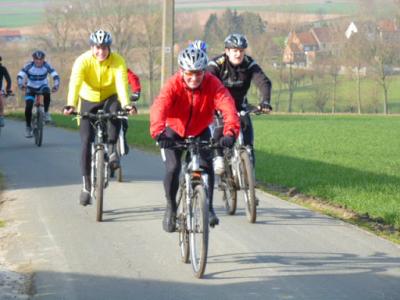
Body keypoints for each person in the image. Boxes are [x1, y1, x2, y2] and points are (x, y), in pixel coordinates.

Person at [150, 46, 240, 233]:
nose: (194, 78)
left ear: (204, 71)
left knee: (206, 166)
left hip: (200, 130)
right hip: (174, 131)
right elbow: (160, 107)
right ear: (182, 70)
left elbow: (228, 107)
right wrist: (159, 133)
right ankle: (171, 208)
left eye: (198, 73)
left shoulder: (212, 83)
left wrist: (230, 133)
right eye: (190, 73)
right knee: (173, 168)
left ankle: (208, 206)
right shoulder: (173, 84)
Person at [63, 29, 136, 206]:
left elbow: (121, 83)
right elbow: (75, 83)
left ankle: (112, 152)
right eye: (97, 47)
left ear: (109, 47)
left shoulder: (117, 60)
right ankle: (86, 186)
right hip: (87, 99)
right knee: (86, 140)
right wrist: (71, 104)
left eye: (104, 48)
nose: (101, 51)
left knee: (115, 112)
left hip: (110, 97)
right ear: (92, 47)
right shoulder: (83, 61)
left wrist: (127, 104)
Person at [207, 33, 272, 171]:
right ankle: (218, 157)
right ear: (227, 51)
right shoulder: (217, 64)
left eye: (241, 51)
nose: (238, 54)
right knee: (218, 132)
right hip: (218, 107)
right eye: (235, 50)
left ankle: (251, 176)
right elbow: (207, 80)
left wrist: (265, 101)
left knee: (248, 139)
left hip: (239, 106)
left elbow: (263, 82)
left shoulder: (249, 64)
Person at [17, 50, 60, 137]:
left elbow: (55, 76)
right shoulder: (28, 66)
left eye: (41, 59)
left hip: (43, 85)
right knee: (28, 107)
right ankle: (28, 127)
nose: (39, 61)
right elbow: (20, 76)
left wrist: (56, 86)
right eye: (37, 59)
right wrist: (20, 84)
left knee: (47, 92)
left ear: (43, 59)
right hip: (31, 87)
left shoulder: (47, 65)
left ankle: (46, 113)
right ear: (33, 59)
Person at [0, 56, 12, 127]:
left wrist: (8, 89)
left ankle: (1, 117)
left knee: (1, 102)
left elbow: (8, 80)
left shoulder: (2, 69)